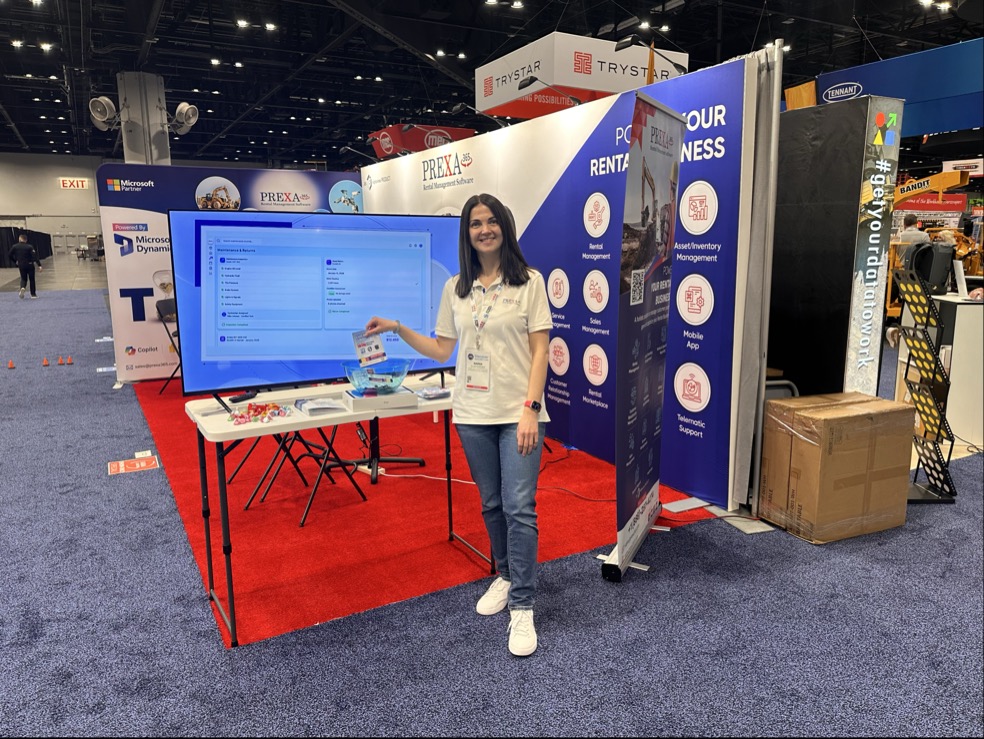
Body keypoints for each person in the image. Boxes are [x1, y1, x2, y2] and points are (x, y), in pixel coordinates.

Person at [364, 193, 552, 657]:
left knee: (519, 507)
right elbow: (442, 350)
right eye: (475, 224)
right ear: (466, 233)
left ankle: (523, 604)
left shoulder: (529, 282)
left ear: (504, 226)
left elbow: (541, 350)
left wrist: (531, 407)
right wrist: (397, 327)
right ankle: (505, 575)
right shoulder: (456, 289)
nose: (484, 230)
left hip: (518, 413)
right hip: (471, 413)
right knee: (491, 503)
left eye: (491, 221)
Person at [8, 233, 43, 299]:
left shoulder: (15, 246)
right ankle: (33, 294)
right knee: (32, 279)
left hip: (21, 265)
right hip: (30, 264)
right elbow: (35, 256)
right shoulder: (29, 247)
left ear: (19, 239)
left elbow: (9, 255)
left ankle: (22, 287)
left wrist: (15, 261)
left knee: (23, 278)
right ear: (26, 240)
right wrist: (39, 265)